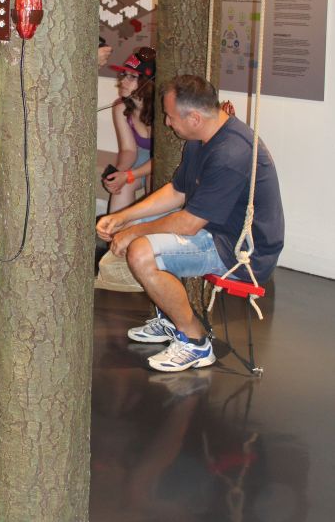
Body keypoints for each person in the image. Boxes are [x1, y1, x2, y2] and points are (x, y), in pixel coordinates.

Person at [96, 75, 284, 373]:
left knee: (142, 252)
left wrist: (131, 233)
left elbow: (188, 224)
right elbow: (177, 191)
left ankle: (195, 342)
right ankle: (172, 320)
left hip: (241, 251)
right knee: (143, 227)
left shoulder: (231, 153)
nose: (167, 123)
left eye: (170, 117)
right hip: (215, 230)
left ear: (194, 117)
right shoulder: (201, 138)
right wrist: (124, 217)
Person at [102, 46, 155, 210]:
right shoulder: (120, 108)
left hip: (161, 161)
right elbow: (128, 150)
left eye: (132, 77)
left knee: (153, 184)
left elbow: (159, 160)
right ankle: (114, 226)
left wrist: (128, 175)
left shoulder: (162, 113)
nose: (123, 81)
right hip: (142, 156)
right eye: (124, 75)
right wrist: (118, 174)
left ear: (148, 83)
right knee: (122, 187)